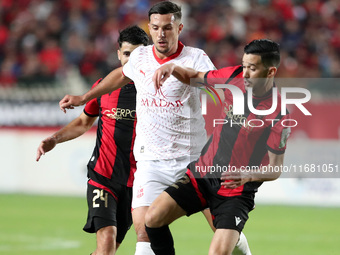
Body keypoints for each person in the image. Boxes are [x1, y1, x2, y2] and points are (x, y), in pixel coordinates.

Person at [58, 2, 251, 255]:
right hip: (151, 162)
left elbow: (216, 88)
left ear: (179, 28)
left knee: (220, 226)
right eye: (156, 28)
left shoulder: (196, 57)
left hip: (192, 160)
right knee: (145, 229)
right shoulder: (140, 56)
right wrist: (85, 97)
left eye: (168, 28)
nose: (161, 34)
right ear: (149, 28)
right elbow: (121, 75)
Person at [145, 39, 290, 255]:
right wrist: (173, 68)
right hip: (202, 174)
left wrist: (248, 176)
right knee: (153, 218)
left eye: (253, 68)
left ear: (270, 72)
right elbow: (195, 77)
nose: (246, 73)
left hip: (236, 189)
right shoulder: (233, 77)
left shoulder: (278, 113)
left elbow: (275, 168)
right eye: (244, 65)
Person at [36, 25, 149, 255]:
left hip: (137, 183)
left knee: (108, 250)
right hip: (103, 177)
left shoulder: (155, 91)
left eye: (138, 55)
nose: (132, 60)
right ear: (119, 54)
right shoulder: (103, 87)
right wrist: (55, 139)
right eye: (127, 54)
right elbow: (83, 122)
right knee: (107, 243)